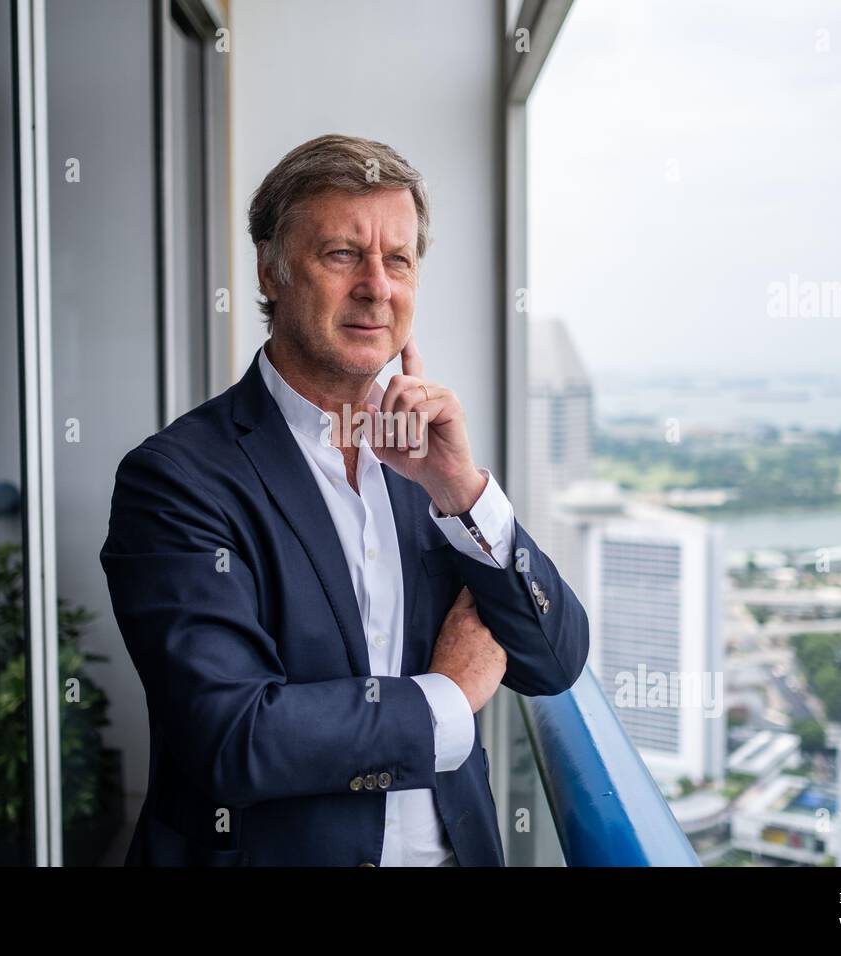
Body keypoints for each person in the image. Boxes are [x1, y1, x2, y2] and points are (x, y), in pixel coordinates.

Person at [100, 133, 588, 866]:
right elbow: (234, 737)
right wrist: (449, 697)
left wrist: (462, 492)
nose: (376, 287)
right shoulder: (175, 479)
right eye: (341, 255)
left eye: (398, 260)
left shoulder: (426, 462)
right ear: (270, 271)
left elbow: (553, 661)